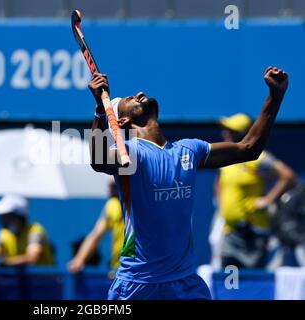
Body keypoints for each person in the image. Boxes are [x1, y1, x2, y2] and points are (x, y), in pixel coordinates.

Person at [88, 66, 288, 300]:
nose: (139, 93)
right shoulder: (131, 155)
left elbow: (249, 148)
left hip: (185, 284)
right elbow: (99, 161)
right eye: (130, 99)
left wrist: (276, 96)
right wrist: (100, 111)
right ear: (122, 120)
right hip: (138, 285)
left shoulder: (190, 149)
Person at [215, 113, 297, 269]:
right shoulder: (225, 158)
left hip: (253, 232)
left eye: (231, 131)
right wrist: (222, 207)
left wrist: (268, 200)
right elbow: (219, 183)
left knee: (251, 284)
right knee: (231, 282)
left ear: (243, 134)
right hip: (229, 231)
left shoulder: (259, 159)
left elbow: (288, 176)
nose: (225, 134)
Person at [0, 194, 54, 266]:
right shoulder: (4, 234)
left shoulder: (35, 230)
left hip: (45, 278)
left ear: (18, 217)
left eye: (6, 216)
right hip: (20, 279)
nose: (2, 219)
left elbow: (32, 258)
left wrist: (3, 262)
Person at [68, 177, 124, 273]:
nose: (112, 189)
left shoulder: (139, 201)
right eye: (111, 186)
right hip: (120, 268)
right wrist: (79, 259)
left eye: (115, 185)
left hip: (142, 266)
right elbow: (95, 235)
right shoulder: (112, 205)